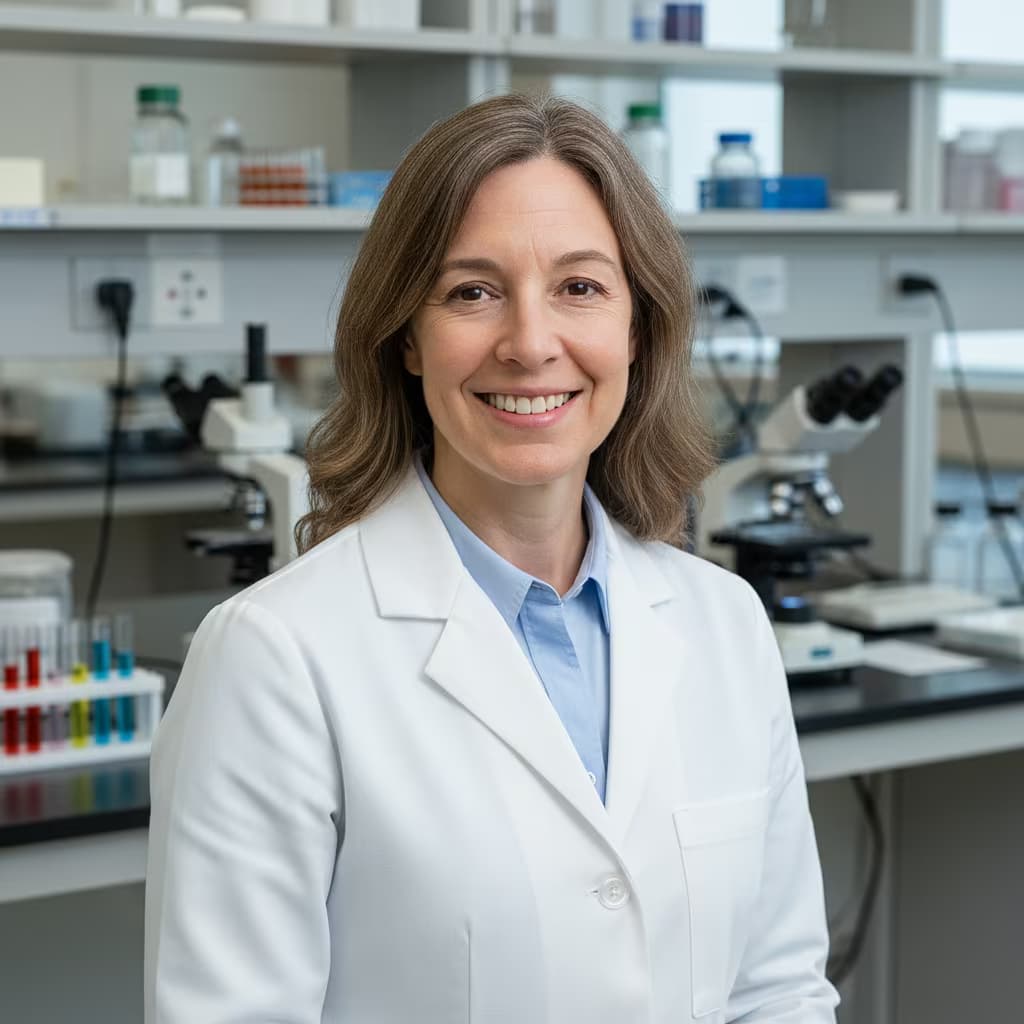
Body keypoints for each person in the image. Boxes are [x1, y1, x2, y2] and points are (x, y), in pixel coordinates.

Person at [144, 94, 839, 1023]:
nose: (530, 344)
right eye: (472, 291)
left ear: (638, 327)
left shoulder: (724, 624)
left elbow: (778, 990)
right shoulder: (275, 658)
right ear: (406, 338)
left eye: (581, 287)